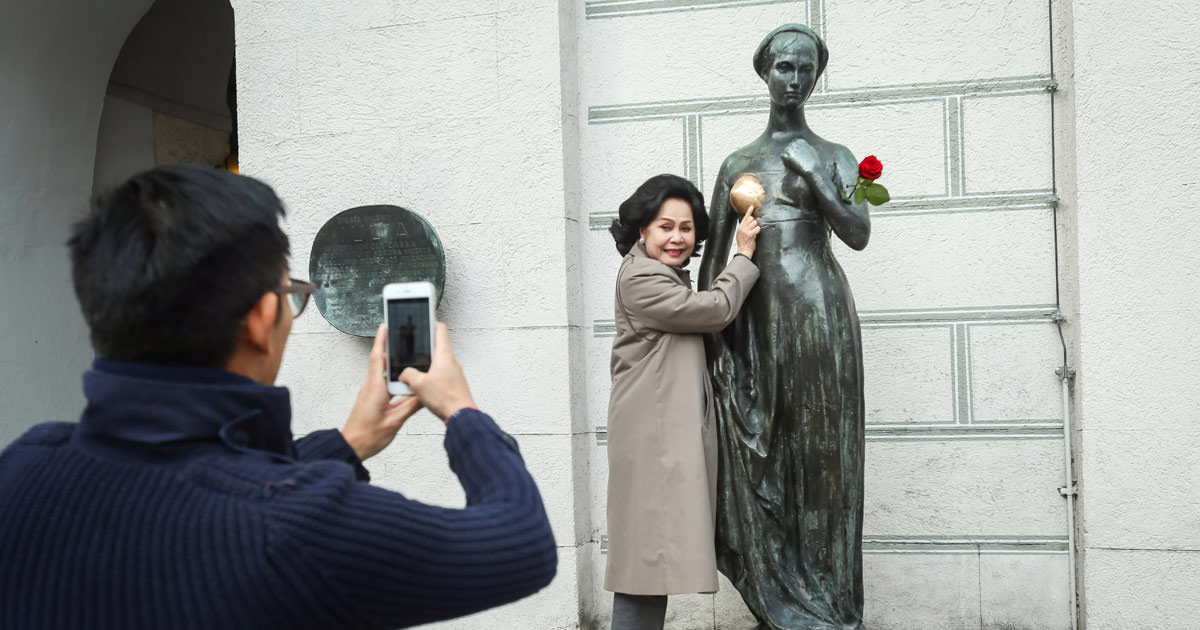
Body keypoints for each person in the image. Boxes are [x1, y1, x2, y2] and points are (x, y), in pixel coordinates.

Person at [0, 165, 556, 629]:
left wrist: (348, 442)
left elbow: (187, 477)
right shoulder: (296, 530)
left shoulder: (24, 468)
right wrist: (463, 412)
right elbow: (521, 543)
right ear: (263, 320)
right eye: (292, 294)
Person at [697, 24, 870, 630]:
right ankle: (779, 596)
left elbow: (858, 233)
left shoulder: (835, 156)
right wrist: (712, 339)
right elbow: (712, 260)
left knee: (827, 458)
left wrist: (817, 179)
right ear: (764, 72)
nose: (794, 79)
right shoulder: (738, 163)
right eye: (783, 67)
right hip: (756, 320)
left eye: (805, 69)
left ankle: (832, 604)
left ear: (816, 78)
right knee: (765, 454)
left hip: (820, 315)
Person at [604, 174, 761, 630]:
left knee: (651, 561)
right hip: (650, 437)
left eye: (686, 228)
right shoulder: (642, 280)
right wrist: (743, 256)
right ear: (642, 231)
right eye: (665, 226)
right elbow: (714, 310)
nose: (677, 238)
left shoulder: (658, 273)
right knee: (641, 563)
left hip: (659, 432)